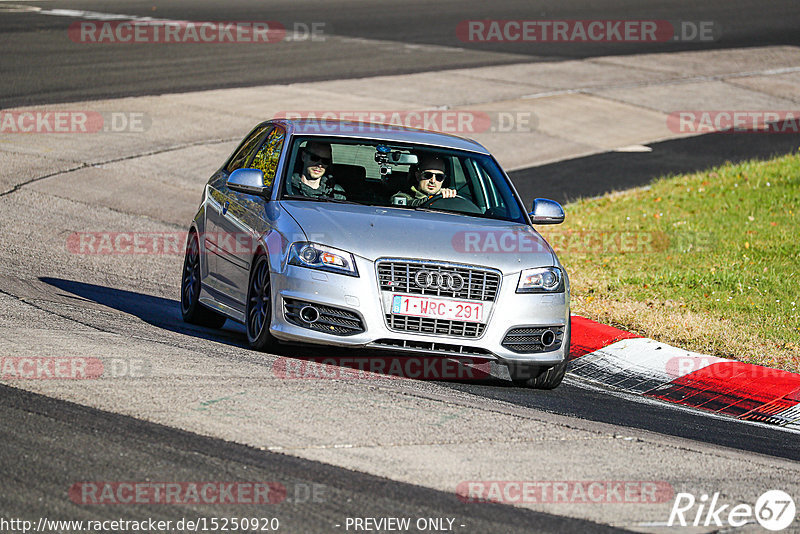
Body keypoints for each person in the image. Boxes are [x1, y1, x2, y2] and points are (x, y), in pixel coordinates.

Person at [391, 153, 457, 207]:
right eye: (427, 175)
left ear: (443, 179)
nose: (433, 181)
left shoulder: (451, 199)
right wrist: (434, 197)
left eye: (439, 177)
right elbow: (411, 204)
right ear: (418, 176)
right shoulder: (402, 196)